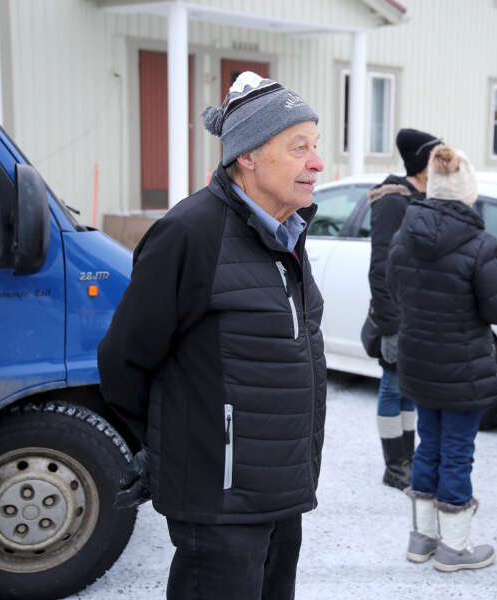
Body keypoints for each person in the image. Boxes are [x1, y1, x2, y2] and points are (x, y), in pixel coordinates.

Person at [97, 71, 326, 600]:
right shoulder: (191, 232)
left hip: (281, 487)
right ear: (248, 155)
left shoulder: (288, 231)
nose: (316, 162)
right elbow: (125, 359)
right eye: (299, 148)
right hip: (217, 493)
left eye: (316, 146)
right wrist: (164, 445)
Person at [387, 145, 497, 571]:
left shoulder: (404, 236)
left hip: (419, 360)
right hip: (462, 366)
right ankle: (454, 548)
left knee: (428, 446)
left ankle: (421, 540)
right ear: (467, 193)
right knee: (458, 451)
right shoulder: (479, 244)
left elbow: (395, 291)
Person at [361, 128, 442, 490]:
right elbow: (381, 267)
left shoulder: (427, 197)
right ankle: (394, 465)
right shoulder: (394, 200)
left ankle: (408, 457)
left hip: (423, 314)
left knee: (410, 388)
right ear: (422, 163)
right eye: (437, 157)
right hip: (398, 314)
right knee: (394, 386)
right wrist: (391, 324)